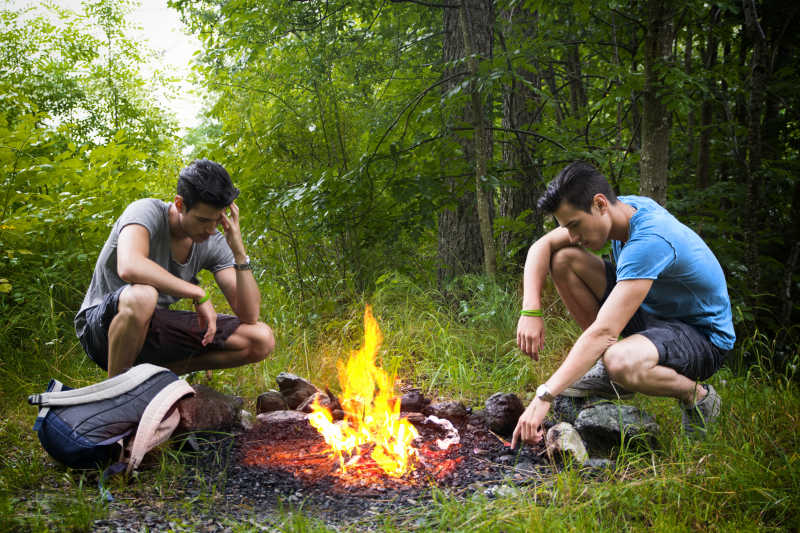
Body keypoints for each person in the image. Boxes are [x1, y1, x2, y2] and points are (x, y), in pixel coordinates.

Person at [511, 162, 735, 448]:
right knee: (564, 258)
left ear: (600, 204)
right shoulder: (624, 208)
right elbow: (540, 247)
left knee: (621, 361)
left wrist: (544, 396)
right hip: (653, 314)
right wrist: (531, 311)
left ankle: (697, 396)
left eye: (575, 225)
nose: (574, 236)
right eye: (567, 228)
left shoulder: (650, 239)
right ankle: (608, 363)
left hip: (702, 336)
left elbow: (604, 329)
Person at [75, 159, 275, 378]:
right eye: (202, 220)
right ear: (179, 204)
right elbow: (129, 266)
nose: (210, 229)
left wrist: (238, 252)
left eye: (217, 221)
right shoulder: (145, 211)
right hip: (101, 328)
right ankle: (118, 395)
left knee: (260, 338)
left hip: (154, 329)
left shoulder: (214, 240)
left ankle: (154, 381)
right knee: (143, 296)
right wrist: (198, 292)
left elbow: (249, 314)